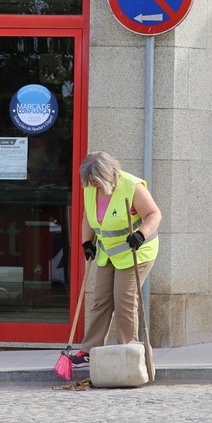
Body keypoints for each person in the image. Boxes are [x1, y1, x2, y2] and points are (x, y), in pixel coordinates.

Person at [70, 151, 161, 367]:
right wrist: (87, 242)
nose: (94, 186)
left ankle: (128, 350)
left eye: (97, 181)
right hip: (109, 253)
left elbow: (154, 214)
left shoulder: (132, 186)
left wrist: (141, 234)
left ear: (108, 175)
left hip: (136, 252)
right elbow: (88, 217)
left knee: (124, 299)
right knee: (101, 299)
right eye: (90, 182)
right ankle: (89, 350)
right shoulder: (91, 190)